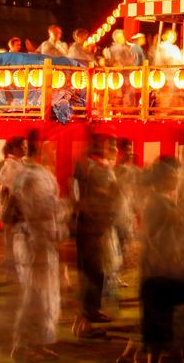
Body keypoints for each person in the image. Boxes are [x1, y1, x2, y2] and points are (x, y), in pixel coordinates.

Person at [10, 130, 63, 361]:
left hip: (44, 240)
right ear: (38, 147)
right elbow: (37, 208)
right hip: (33, 241)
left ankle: (39, 342)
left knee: (46, 296)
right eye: (47, 146)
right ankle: (22, 345)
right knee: (34, 295)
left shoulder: (40, 173)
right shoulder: (28, 175)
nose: (51, 151)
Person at [138, 157, 184, 363]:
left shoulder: (164, 200)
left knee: (164, 324)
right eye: (174, 174)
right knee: (159, 327)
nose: (177, 178)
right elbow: (155, 237)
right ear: (163, 178)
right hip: (158, 273)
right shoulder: (156, 202)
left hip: (165, 270)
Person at [72, 137, 118, 337]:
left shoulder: (95, 169)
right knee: (90, 274)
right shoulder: (93, 170)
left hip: (94, 227)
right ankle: (83, 324)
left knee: (96, 274)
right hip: (90, 229)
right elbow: (95, 197)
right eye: (106, 146)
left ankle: (91, 313)